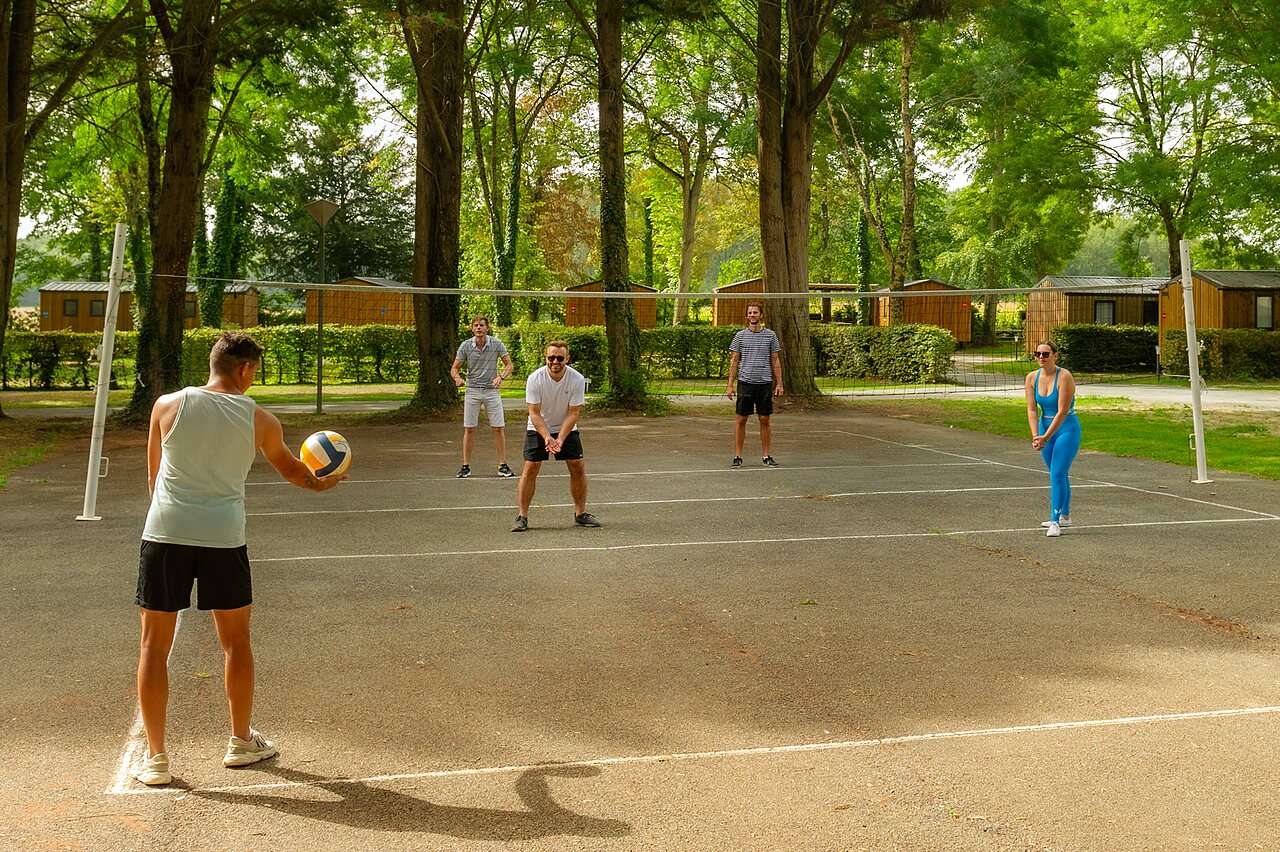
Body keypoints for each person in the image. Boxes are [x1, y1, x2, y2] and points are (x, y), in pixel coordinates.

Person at [133, 332, 346, 786]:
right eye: (256, 371)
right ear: (245, 369)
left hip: (165, 532)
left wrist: (171, 518)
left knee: (154, 645)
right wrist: (325, 483)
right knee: (235, 643)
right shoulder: (261, 420)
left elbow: (154, 477)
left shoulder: (166, 405)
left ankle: (155, 759)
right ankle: (240, 742)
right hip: (223, 538)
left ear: (215, 363)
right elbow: (294, 471)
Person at [511, 341, 600, 532]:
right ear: (546, 358)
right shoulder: (535, 379)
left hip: (566, 427)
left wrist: (559, 438)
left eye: (560, 358)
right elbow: (534, 413)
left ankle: (580, 514)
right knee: (531, 466)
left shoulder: (576, 379)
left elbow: (573, 413)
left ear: (567, 359)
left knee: (577, 465)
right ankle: (522, 517)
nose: (555, 362)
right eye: (551, 358)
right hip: (538, 426)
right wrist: (546, 437)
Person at [1025, 340, 1081, 538]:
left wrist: (1046, 437)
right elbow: (1032, 409)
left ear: (1055, 356)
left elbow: (1063, 411)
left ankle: (1055, 521)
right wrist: (1036, 436)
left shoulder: (1064, 376)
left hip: (1066, 429)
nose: (1041, 357)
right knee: (1058, 473)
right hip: (1043, 427)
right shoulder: (1032, 377)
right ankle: (1065, 515)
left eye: (1046, 354)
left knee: (1057, 474)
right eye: (1038, 353)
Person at [451, 316, 516, 478]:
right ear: (472, 328)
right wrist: (457, 378)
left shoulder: (496, 343)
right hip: (473, 390)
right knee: (470, 428)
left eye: (481, 325)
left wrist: (500, 377)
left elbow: (509, 364)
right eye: (476, 325)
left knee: (498, 427)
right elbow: (454, 368)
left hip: (491, 390)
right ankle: (466, 466)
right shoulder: (466, 345)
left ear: (487, 328)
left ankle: (503, 465)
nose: (479, 328)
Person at [725, 302, 784, 468]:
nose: (752, 315)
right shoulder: (740, 336)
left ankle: (766, 456)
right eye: (750, 313)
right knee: (741, 419)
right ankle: (738, 456)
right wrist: (730, 384)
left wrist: (779, 383)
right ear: (747, 316)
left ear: (761, 315)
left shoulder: (770, 335)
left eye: (755, 312)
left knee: (764, 419)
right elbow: (734, 360)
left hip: (764, 383)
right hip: (745, 383)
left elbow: (775, 359)